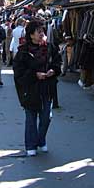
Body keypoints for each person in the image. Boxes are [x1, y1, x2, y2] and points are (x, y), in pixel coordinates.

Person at [13, 20, 61, 156]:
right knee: (31, 118)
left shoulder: (50, 48)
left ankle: (41, 139)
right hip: (30, 89)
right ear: (31, 35)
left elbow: (58, 63)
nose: (42, 34)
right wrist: (34, 75)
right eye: (38, 31)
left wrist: (53, 70)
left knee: (46, 117)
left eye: (42, 31)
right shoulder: (23, 52)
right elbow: (18, 73)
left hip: (47, 88)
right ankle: (30, 145)